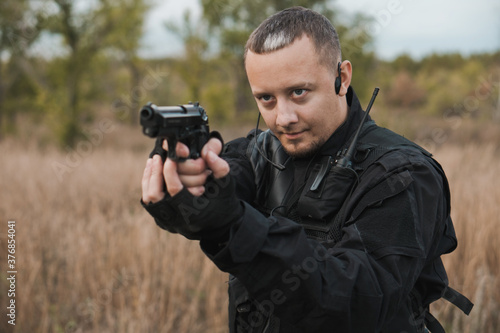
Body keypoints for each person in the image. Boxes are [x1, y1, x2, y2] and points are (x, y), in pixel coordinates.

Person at [141, 6, 472, 333]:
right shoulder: (253, 155)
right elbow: (207, 201)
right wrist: (183, 189)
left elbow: (356, 302)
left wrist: (236, 224)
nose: (283, 117)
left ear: (341, 78)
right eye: (266, 99)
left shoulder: (403, 174)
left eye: (298, 92)